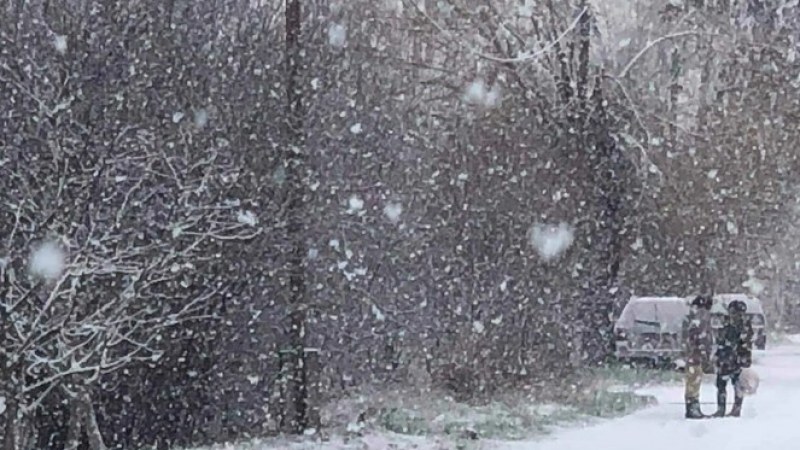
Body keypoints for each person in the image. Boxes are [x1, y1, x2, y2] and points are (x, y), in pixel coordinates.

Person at [713, 299, 755, 417]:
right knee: (721, 384)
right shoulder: (727, 324)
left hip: (737, 359)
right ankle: (721, 409)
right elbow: (720, 340)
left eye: (736, 312)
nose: (734, 315)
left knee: (738, 384)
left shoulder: (744, 327)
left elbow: (745, 343)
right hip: (725, 358)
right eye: (732, 312)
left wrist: (739, 353)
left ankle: (736, 409)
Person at [682, 294, 714, 419]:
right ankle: (692, 408)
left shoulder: (696, 318)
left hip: (695, 355)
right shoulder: (699, 319)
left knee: (694, 380)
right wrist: (701, 350)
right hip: (694, 355)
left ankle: (693, 406)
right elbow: (698, 337)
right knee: (693, 380)